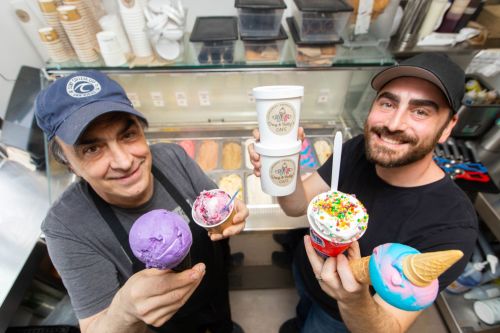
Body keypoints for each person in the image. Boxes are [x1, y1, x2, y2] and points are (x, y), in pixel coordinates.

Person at [249, 53, 478, 333]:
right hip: (306, 270)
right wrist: (284, 168)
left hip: (342, 316)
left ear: (448, 127)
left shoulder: (451, 226)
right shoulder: (359, 148)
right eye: (387, 103)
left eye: (421, 111)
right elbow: (296, 205)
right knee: (303, 312)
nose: (393, 124)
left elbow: (389, 327)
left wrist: (351, 299)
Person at [34, 71, 249, 333]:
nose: (125, 162)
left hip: (214, 290)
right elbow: (95, 327)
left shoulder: (171, 156)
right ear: (69, 164)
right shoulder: (67, 227)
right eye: (92, 149)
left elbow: (216, 208)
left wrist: (229, 216)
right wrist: (124, 313)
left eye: (127, 135)